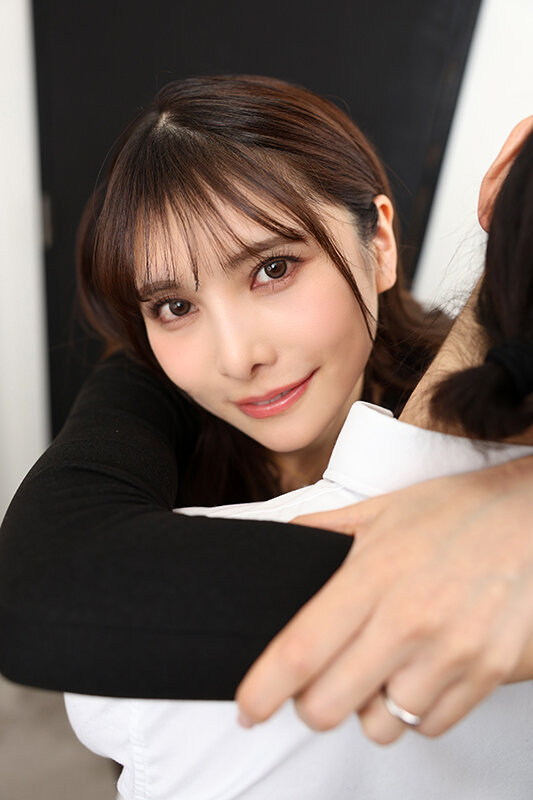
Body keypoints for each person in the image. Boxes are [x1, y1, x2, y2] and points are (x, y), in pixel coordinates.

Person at [0, 75, 531, 735]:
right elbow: (40, 593)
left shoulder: (481, 402)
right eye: (175, 306)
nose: (235, 357)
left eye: (272, 269)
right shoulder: (152, 391)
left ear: (379, 246)